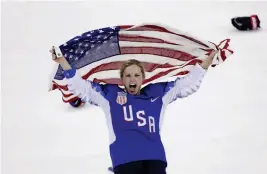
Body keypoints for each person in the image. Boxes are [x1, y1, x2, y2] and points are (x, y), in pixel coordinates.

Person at [50, 46, 217, 174]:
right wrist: (63, 63)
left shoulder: (158, 94)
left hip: (154, 158)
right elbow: (82, 88)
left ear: (143, 78)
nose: (132, 79)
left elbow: (187, 84)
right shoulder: (110, 95)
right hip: (125, 160)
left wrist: (208, 60)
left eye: (137, 75)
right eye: (128, 75)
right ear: (122, 79)